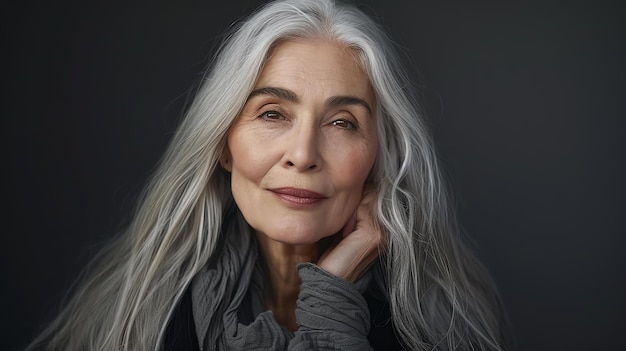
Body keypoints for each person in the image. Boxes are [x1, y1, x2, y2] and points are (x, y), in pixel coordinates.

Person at [26, 0, 510, 350]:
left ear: (377, 158)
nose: (303, 155)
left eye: (342, 123)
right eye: (273, 113)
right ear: (223, 145)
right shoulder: (133, 323)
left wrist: (331, 305)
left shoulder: (442, 331)